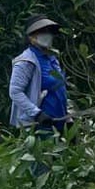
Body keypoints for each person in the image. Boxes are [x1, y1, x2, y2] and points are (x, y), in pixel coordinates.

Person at [10, 17, 71, 174]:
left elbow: (60, 89)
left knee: (59, 170)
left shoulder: (52, 59)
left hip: (58, 122)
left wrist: (68, 118)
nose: (47, 35)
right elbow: (15, 92)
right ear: (31, 37)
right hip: (39, 125)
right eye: (42, 32)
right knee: (42, 170)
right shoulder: (26, 61)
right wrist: (36, 114)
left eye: (49, 32)